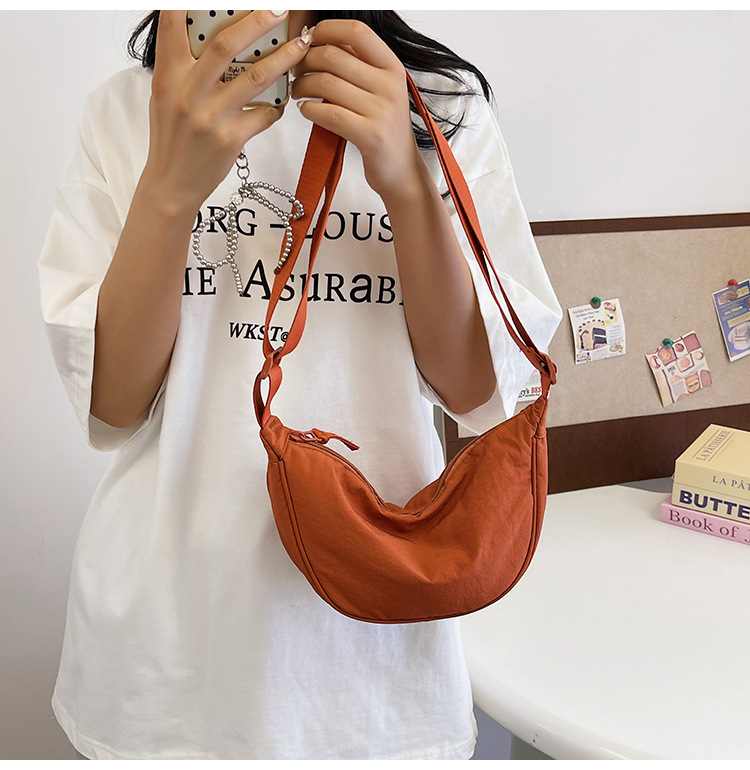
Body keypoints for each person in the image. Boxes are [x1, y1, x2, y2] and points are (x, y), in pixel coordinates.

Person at [39, 10, 561, 760]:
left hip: (373, 651)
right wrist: (169, 191)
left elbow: (477, 393)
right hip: (165, 649)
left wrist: (406, 183)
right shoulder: (131, 106)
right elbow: (114, 405)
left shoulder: (437, 104)